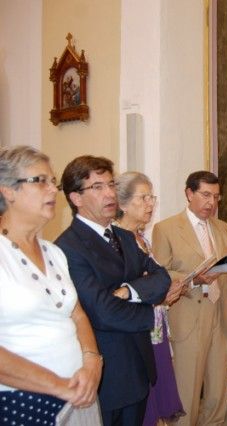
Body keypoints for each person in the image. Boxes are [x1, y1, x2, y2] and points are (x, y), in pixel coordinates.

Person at [56, 155, 171, 425]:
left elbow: (161, 277)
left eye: (110, 184)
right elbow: (102, 312)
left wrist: (128, 291)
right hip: (108, 375)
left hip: (139, 367)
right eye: (97, 187)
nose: (110, 193)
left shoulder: (126, 237)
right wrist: (148, 313)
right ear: (76, 198)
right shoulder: (68, 247)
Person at [0, 146, 102, 425]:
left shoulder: (53, 253)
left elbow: (76, 313)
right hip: (23, 402)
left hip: (78, 394)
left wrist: (92, 363)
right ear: (8, 190)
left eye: (52, 182)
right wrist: (58, 385)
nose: (52, 190)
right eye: (39, 181)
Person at [152, 171, 227, 426]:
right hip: (188, 313)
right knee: (187, 387)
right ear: (189, 193)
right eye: (205, 195)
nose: (212, 202)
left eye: (216, 197)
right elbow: (160, 272)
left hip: (220, 312)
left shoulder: (222, 227)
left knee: (218, 388)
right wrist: (193, 278)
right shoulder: (165, 228)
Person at [114, 171, 184, 425]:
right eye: (143, 198)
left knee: (156, 385)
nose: (150, 204)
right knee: (141, 398)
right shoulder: (114, 240)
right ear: (121, 203)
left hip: (155, 323)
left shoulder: (141, 238)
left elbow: (154, 279)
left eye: (151, 197)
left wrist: (165, 294)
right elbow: (120, 290)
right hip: (134, 329)